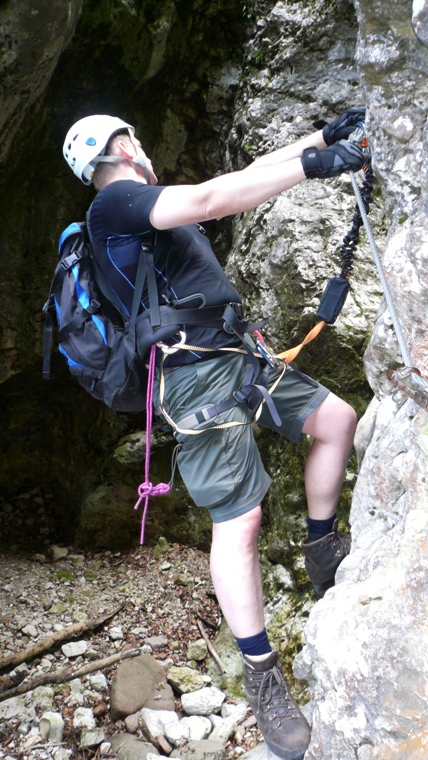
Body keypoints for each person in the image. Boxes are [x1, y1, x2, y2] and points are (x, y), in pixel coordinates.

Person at [63, 108, 365, 760]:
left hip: (237, 355)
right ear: (111, 149)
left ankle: (320, 551)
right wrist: (315, 168)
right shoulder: (115, 204)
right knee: (241, 521)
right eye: (132, 137)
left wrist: (321, 138)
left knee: (337, 421)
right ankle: (262, 676)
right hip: (194, 382)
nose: (141, 144)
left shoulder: (145, 205)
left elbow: (246, 176)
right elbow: (210, 196)